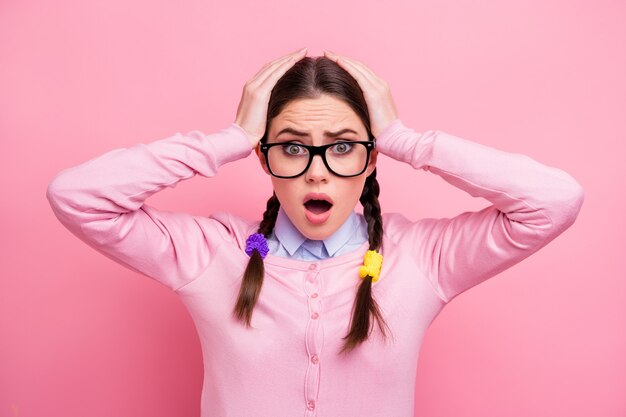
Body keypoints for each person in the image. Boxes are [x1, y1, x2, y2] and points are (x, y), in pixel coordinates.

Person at [46, 47, 585, 417]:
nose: (317, 170)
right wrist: (229, 139)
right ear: (264, 157)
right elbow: (77, 196)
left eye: (344, 145)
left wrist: (406, 139)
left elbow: (553, 201)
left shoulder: (420, 258)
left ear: (372, 160)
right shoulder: (213, 253)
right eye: (293, 146)